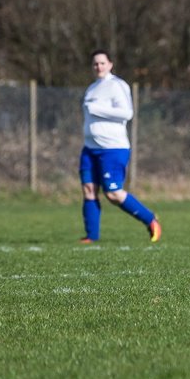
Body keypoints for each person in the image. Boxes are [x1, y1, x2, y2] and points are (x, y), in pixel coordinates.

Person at [79, 49, 162, 244]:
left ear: (110, 64)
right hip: (90, 148)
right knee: (89, 189)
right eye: (95, 64)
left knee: (113, 194)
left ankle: (150, 220)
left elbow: (126, 113)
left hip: (112, 148)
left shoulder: (117, 85)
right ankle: (91, 237)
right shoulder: (91, 88)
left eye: (102, 63)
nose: (98, 67)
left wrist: (97, 109)